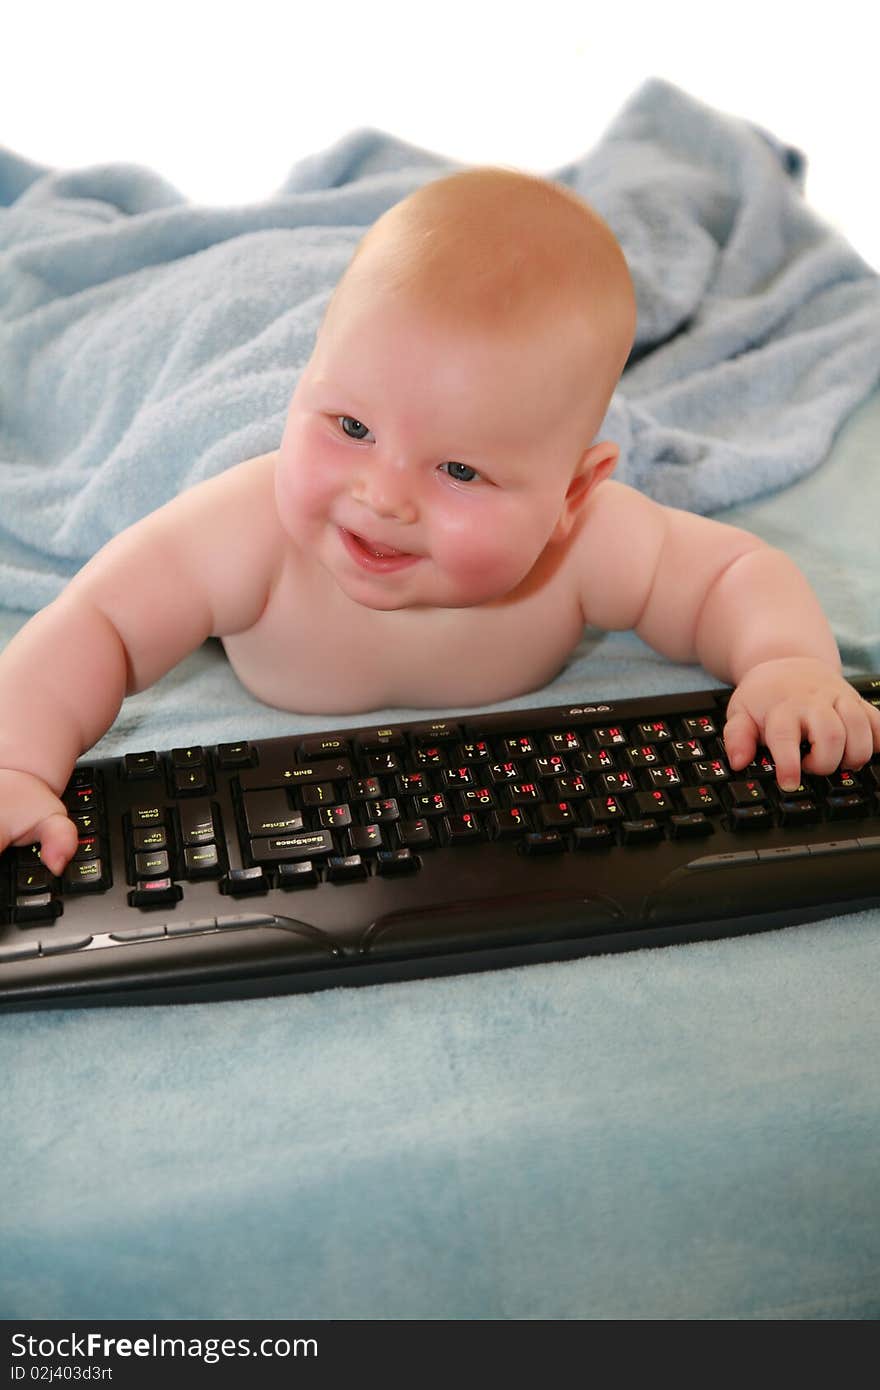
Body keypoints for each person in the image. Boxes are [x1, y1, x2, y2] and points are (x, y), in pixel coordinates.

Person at [1, 167, 878, 875]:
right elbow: (98, 623)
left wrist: (788, 664)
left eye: (460, 470)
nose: (382, 497)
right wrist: (16, 763)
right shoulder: (244, 533)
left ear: (571, 498)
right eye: (350, 429)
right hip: (235, 401)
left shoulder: (587, 544)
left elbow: (731, 574)